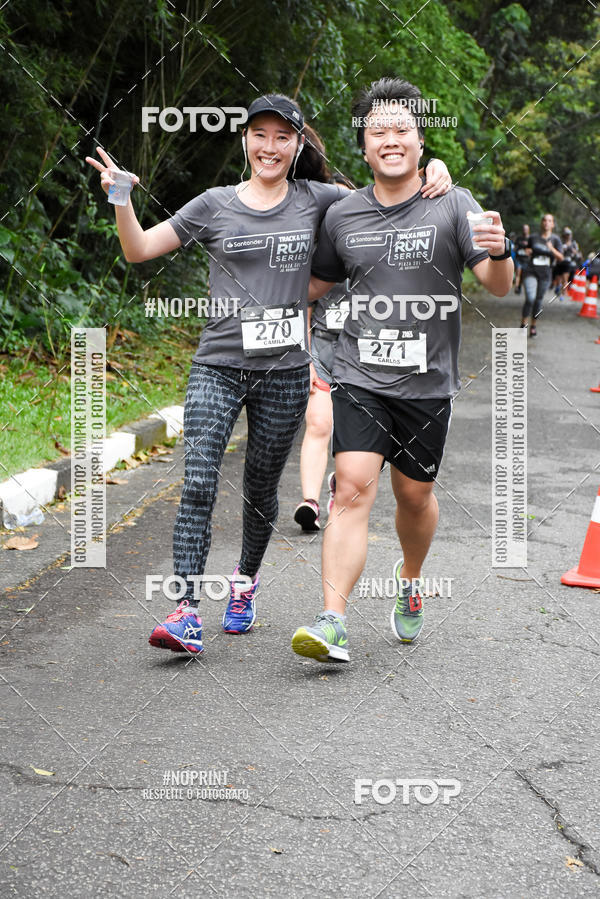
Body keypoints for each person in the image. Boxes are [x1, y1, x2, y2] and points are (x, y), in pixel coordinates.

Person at [86, 94, 452, 655]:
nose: (271, 146)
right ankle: (185, 611)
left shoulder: (321, 200)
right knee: (200, 480)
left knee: (260, 488)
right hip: (218, 363)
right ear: (245, 140)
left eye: (283, 137)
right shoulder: (213, 205)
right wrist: (121, 200)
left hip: (284, 371)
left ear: (298, 144)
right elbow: (138, 250)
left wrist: (434, 170)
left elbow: (386, 192)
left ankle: (245, 582)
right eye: (260, 134)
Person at [290, 77, 513, 663]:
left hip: (427, 382)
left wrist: (498, 250)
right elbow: (318, 282)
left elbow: (496, 283)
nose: (390, 139)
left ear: (420, 143)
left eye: (402, 130)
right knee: (351, 491)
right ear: (363, 147)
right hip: (359, 375)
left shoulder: (452, 202)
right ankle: (332, 621)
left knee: (413, 496)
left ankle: (410, 580)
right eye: (378, 131)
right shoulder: (342, 214)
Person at [520, 214, 563, 337]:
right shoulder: (533, 237)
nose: (546, 223)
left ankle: (533, 326)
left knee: (538, 301)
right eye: (544, 220)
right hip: (531, 271)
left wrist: (551, 249)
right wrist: (528, 252)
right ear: (541, 223)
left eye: (549, 221)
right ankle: (523, 325)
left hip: (545, 274)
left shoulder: (556, 240)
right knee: (530, 298)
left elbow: (561, 257)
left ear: (553, 224)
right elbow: (527, 250)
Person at [552, 227, 581, 300]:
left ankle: (562, 293)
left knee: (565, 279)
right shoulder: (560, 242)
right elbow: (555, 250)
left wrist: (573, 250)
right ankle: (558, 288)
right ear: (564, 235)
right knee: (558, 280)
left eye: (569, 234)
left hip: (568, 263)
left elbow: (577, 253)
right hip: (559, 262)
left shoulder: (574, 243)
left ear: (571, 235)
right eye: (566, 234)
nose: (568, 236)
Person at [513, 224, 530, 294]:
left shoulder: (530, 239)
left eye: (526, 229)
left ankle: (519, 285)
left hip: (526, 260)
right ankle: (516, 287)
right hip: (519, 259)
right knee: (518, 273)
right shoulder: (519, 238)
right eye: (523, 229)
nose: (524, 230)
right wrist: (518, 248)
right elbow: (514, 249)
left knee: (523, 275)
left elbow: (533, 249)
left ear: (529, 230)